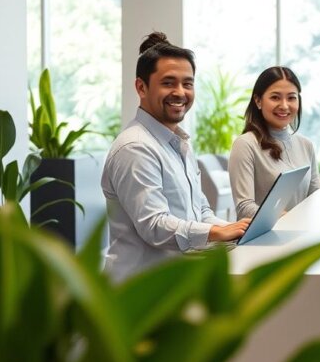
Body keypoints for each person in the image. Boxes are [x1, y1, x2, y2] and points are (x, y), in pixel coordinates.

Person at [101, 32, 250, 281]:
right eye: (168, 83)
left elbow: (199, 211)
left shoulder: (178, 143)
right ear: (141, 87)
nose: (180, 92)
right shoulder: (135, 147)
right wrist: (215, 232)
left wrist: (235, 229)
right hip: (136, 291)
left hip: (169, 285)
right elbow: (154, 226)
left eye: (187, 83)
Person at [228, 66, 320, 220]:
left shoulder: (306, 145)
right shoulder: (245, 144)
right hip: (262, 240)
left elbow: (315, 197)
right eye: (275, 97)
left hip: (303, 238)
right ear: (258, 101)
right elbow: (245, 207)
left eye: (291, 97)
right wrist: (292, 220)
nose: (284, 105)